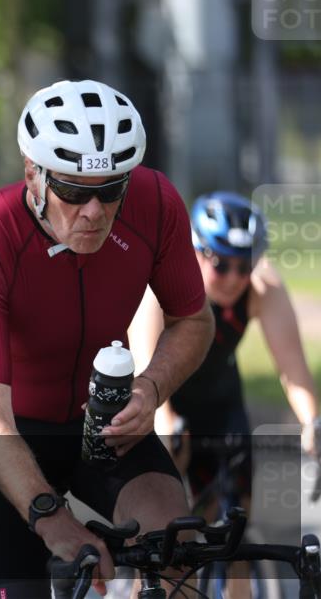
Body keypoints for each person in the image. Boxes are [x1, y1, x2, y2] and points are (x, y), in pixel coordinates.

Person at [0, 79, 214, 598]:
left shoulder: (157, 202)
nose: (93, 211)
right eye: (72, 191)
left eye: (111, 189)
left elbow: (194, 319)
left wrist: (152, 388)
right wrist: (51, 518)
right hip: (12, 432)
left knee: (177, 554)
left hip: (104, 420)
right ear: (34, 174)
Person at [129, 191, 319, 599]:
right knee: (159, 546)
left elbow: (294, 373)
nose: (234, 277)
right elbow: (147, 375)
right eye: (221, 263)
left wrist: (312, 424)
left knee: (233, 541)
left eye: (244, 264)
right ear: (196, 252)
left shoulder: (263, 287)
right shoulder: (163, 284)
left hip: (221, 404)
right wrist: (164, 419)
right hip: (162, 401)